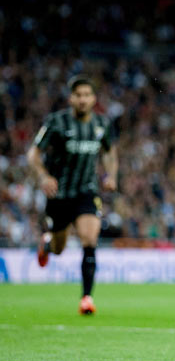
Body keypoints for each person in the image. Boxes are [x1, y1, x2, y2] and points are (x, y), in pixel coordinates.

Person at [28, 76, 118, 315]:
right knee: (59, 247)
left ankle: (86, 298)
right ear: (71, 98)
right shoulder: (56, 122)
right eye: (78, 95)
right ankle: (48, 243)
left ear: (93, 98)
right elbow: (34, 154)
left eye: (87, 95)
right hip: (59, 195)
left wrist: (110, 175)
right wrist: (44, 177)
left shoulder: (101, 125)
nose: (83, 100)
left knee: (89, 239)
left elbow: (109, 152)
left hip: (86, 192)